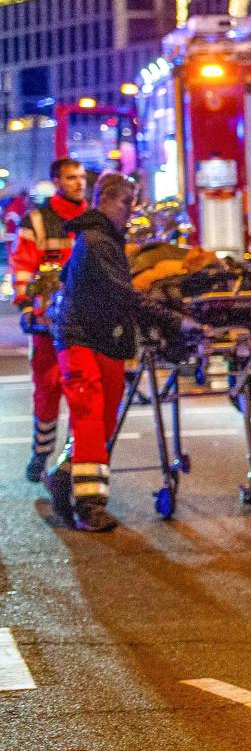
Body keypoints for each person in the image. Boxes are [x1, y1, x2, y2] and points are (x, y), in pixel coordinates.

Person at [45, 174, 195, 532]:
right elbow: (122, 294)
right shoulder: (96, 241)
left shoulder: (106, 240)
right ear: (106, 199)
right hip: (79, 337)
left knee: (103, 421)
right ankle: (90, 507)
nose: (131, 211)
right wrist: (174, 320)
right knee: (90, 413)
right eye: (126, 203)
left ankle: (63, 476)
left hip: (105, 339)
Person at [12, 159, 89, 483]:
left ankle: (74, 455)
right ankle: (41, 452)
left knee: (82, 391)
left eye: (82, 177)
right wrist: (27, 305)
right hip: (48, 323)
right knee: (47, 389)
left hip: (85, 321)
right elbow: (23, 266)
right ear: (57, 181)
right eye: (71, 178)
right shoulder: (38, 221)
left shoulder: (93, 219)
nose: (79, 183)